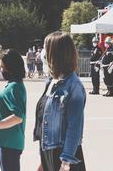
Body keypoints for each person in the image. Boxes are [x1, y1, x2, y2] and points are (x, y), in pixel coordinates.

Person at [33, 31, 86, 171]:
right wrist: (42, 159)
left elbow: (75, 127)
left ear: (55, 53)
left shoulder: (74, 86)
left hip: (64, 155)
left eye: (45, 47)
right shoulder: (51, 82)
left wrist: (66, 161)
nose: (42, 52)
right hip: (49, 152)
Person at [0, 49, 27, 171]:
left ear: (11, 68)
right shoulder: (13, 85)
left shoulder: (15, 87)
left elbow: (18, 117)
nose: (1, 70)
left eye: (2, 67)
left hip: (10, 144)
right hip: (6, 143)